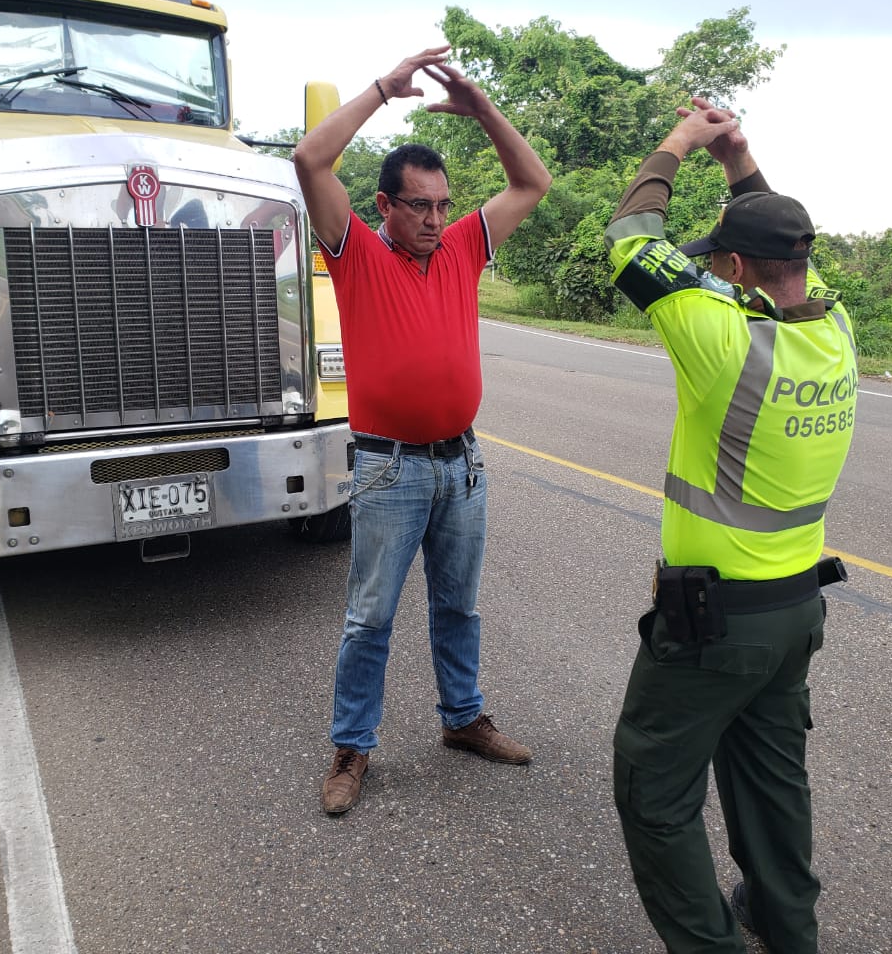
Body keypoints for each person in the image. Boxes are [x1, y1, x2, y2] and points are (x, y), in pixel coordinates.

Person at [603, 98, 858, 954]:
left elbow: (632, 235)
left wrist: (683, 140)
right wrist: (738, 158)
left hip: (714, 627)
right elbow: (785, 242)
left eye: (728, 260)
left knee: (654, 793)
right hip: (796, 616)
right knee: (773, 786)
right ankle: (788, 932)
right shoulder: (835, 330)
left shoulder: (720, 338)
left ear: (738, 268)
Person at [293, 47, 551, 816]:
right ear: (384, 206)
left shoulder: (466, 245)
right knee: (371, 615)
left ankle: (463, 718)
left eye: (444, 204)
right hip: (390, 470)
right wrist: (382, 89)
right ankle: (351, 747)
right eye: (421, 206)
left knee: (459, 604)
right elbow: (310, 158)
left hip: (460, 466)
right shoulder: (357, 253)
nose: (438, 219)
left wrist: (484, 111)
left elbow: (532, 182)